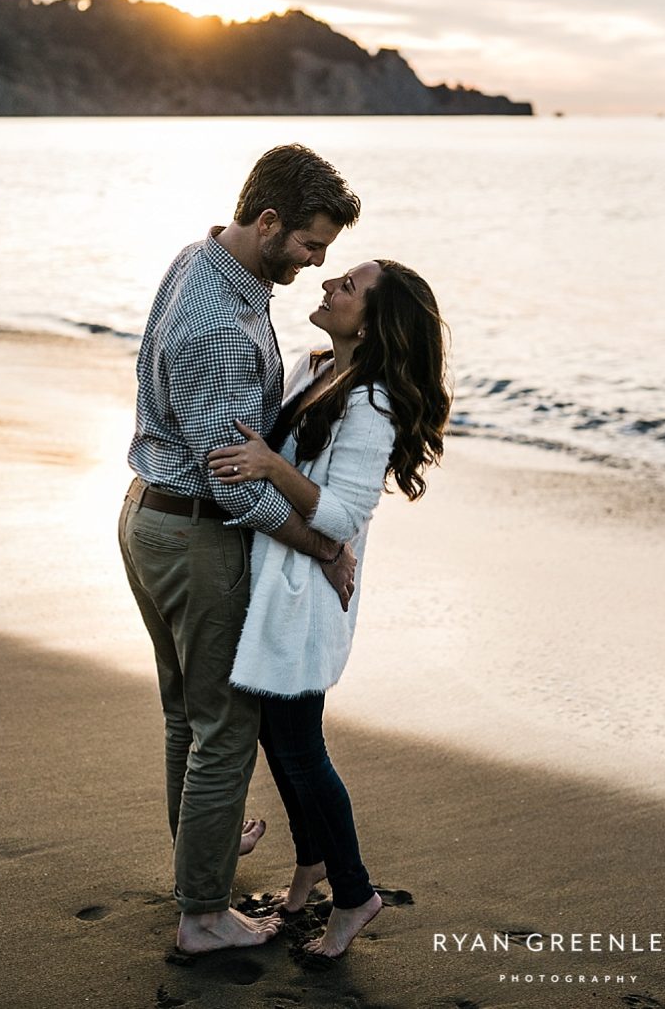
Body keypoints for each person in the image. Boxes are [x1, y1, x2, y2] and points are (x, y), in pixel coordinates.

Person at [118, 144, 362, 954]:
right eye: (310, 244)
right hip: (191, 531)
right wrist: (321, 547)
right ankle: (204, 915)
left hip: (151, 515)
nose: (318, 262)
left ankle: (202, 855)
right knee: (225, 725)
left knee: (185, 713)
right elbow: (237, 487)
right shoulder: (222, 325)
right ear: (267, 223)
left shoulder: (205, 258)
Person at [207, 259, 450, 957]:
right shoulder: (319, 369)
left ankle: (354, 895)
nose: (327, 287)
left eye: (346, 286)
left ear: (372, 320)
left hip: (304, 600)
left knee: (301, 748)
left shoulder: (371, 402)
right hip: (284, 583)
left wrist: (270, 467)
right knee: (277, 738)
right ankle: (310, 862)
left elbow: (342, 514)